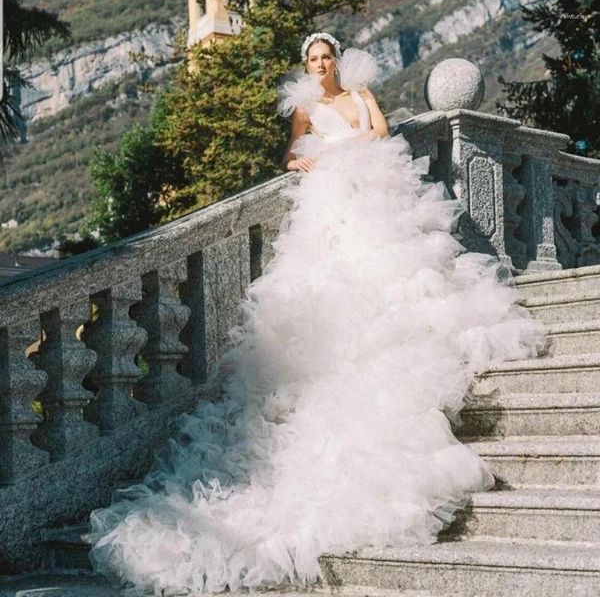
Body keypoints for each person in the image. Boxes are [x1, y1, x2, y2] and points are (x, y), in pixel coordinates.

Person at [87, 32, 544, 596]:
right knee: (333, 283)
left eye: (326, 56)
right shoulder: (307, 106)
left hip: (374, 194)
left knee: (400, 273)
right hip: (332, 202)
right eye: (313, 59)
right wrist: (305, 160)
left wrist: (351, 143)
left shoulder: (360, 95)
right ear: (306, 66)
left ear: (337, 60)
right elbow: (291, 151)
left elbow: (380, 133)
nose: (321, 64)